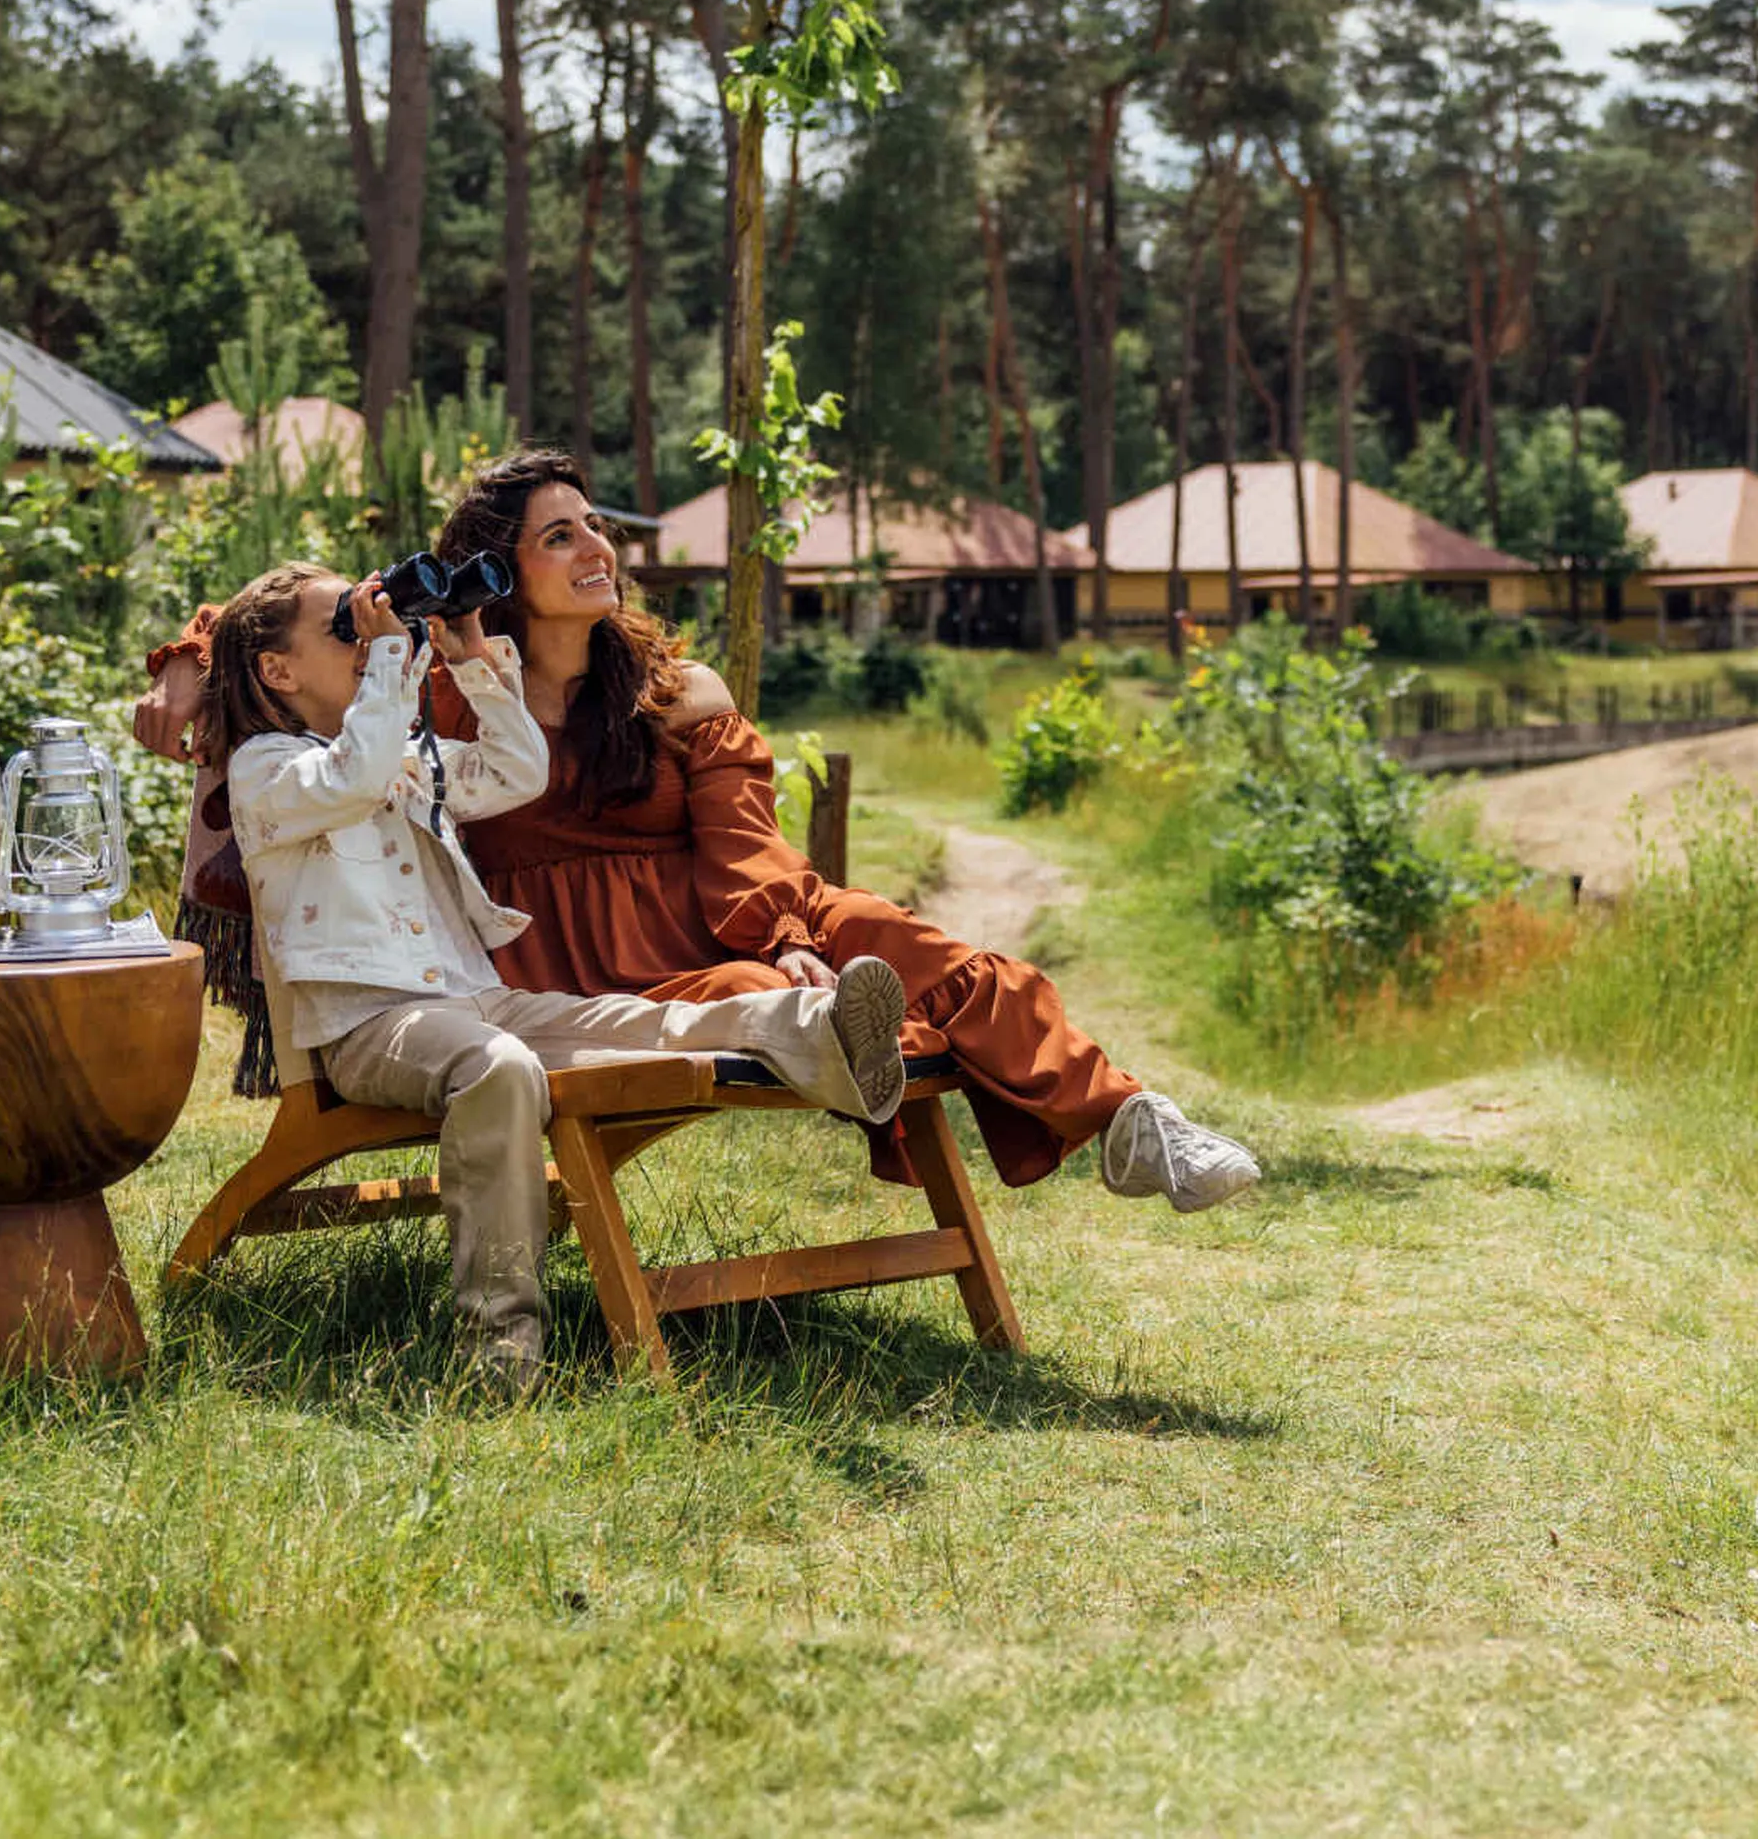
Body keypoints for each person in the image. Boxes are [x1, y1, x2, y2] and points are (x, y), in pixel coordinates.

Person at [426, 448, 1258, 1213]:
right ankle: (882, 1034)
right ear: (498, 571)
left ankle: (1131, 1120)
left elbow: (741, 836)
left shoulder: (677, 691)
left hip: (716, 913)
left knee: (880, 932)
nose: (596, 550)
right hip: (574, 968)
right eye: (560, 538)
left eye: (596, 528)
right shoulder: (451, 700)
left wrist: (784, 929)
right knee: (764, 997)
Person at [200, 560, 914, 1391]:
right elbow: (350, 776)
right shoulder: (267, 770)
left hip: (471, 1000)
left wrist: (469, 658)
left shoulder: (394, 755)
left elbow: (515, 773)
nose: (365, 638)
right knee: (496, 1068)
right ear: (276, 671)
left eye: (365, 624)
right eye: (343, 627)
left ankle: (827, 1040)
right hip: (368, 1027)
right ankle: (499, 1349)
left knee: (638, 1023)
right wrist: (395, 657)